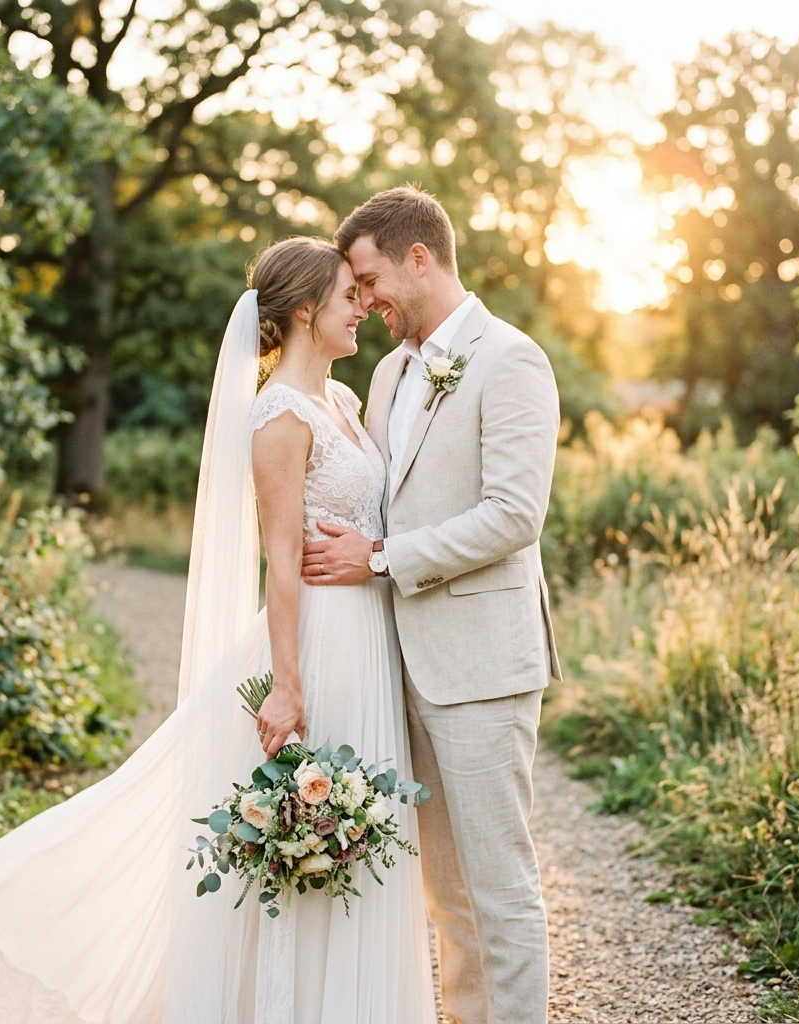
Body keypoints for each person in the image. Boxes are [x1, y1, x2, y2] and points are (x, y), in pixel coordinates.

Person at [0, 236, 436, 1024]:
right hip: (323, 645)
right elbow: (281, 561)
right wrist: (287, 686)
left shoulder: (343, 402)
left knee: (360, 839)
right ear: (303, 312)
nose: (361, 305)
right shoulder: (280, 416)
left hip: (368, 639)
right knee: (316, 839)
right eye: (345, 296)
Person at [302, 186, 562, 1024]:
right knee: (445, 890)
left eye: (371, 278)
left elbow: (514, 515)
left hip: (482, 660)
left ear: (421, 258)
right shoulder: (384, 373)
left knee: (500, 885)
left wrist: (379, 558)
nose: (364, 298)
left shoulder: (511, 358)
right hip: (400, 664)